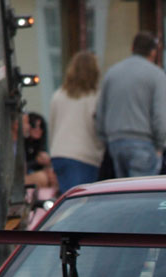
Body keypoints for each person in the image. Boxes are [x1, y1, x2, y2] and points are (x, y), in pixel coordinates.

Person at [95, 32, 166, 177]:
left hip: (115, 141)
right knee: (141, 189)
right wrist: (160, 145)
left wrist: (105, 139)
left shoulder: (112, 73)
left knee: (124, 188)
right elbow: (161, 115)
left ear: (132, 48)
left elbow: (100, 112)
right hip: (143, 141)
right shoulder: (157, 75)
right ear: (153, 52)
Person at [49, 51, 104, 193]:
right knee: (82, 199)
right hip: (84, 156)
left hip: (59, 153)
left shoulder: (58, 95)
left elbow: (52, 127)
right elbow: (98, 129)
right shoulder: (95, 97)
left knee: (68, 197)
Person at [23, 112, 56, 189]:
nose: (38, 129)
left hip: (36, 174)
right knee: (42, 177)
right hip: (25, 177)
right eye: (34, 126)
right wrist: (36, 161)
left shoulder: (40, 144)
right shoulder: (21, 143)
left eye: (41, 126)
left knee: (52, 175)